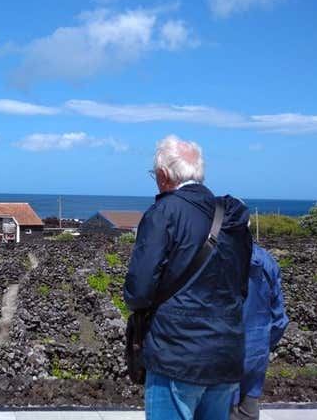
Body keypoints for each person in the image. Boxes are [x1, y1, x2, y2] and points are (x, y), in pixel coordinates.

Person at [123, 135, 253, 420]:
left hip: (176, 353)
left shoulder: (164, 212)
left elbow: (139, 291)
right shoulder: (233, 218)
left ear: (164, 175)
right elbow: (242, 286)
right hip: (225, 353)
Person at [230, 242, 289, 420]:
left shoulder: (214, 255)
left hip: (221, 356)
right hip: (255, 352)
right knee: (249, 409)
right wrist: (263, 343)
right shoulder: (266, 260)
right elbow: (279, 320)